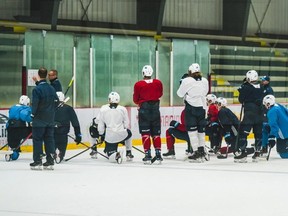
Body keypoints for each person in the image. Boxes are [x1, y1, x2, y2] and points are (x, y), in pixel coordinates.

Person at [177, 63, 209, 162]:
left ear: (190, 72)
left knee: (192, 132)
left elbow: (179, 94)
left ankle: (196, 152)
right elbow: (205, 92)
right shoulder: (204, 80)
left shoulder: (187, 81)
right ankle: (202, 150)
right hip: (202, 107)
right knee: (201, 131)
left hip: (191, 108)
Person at [133, 65, 163, 164]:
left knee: (145, 133)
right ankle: (158, 153)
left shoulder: (138, 84)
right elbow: (160, 94)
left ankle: (147, 154)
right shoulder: (158, 82)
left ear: (143, 73)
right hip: (155, 110)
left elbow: (135, 99)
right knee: (156, 133)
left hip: (144, 110)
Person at [30, 67, 59, 170]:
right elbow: (57, 101)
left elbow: (35, 104)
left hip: (39, 120)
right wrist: (52, 111)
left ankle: (37, 161)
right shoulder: (51, 88)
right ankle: (50, 160)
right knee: (49, 139)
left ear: (38, 75)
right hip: (50, 119)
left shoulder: (36, 89)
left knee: (37, 140)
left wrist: (32, 115)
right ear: (46, 75)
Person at [235, 70, 264, 162]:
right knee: (258, 133)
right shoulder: (262, 86)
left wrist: (242, 90)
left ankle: (243, 153)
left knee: (243, 133)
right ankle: (258, 153)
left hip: (249, 114)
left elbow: (241, 100)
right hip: (259, 113)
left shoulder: (245, 87)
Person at [97, 92, 134, 163]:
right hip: (121, 135)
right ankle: (128, 152)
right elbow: (127, 124)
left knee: (110, 156)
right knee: (129, 133)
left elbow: (100, 124)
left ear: (109, 99)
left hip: (110, 137)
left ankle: (116, 154)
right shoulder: (122, 109)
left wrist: (101, 135)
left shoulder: (103, 109)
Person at [54, 91, 82, 162]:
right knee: (62, 145)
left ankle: (53, 153)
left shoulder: (49, 108)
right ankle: (61, 155)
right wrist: (78, 135)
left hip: (52, 132)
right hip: (63, 132)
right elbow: (75, 123)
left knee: (51, 144)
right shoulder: (68, 108)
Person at [6, 95, 32, 160]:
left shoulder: (13, 107)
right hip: (20, 129)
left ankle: (11, 149)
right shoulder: (25, 108)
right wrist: (31, 119)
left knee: (13, 142)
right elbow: (24, 116)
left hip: (10, 128)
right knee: (36, 134)